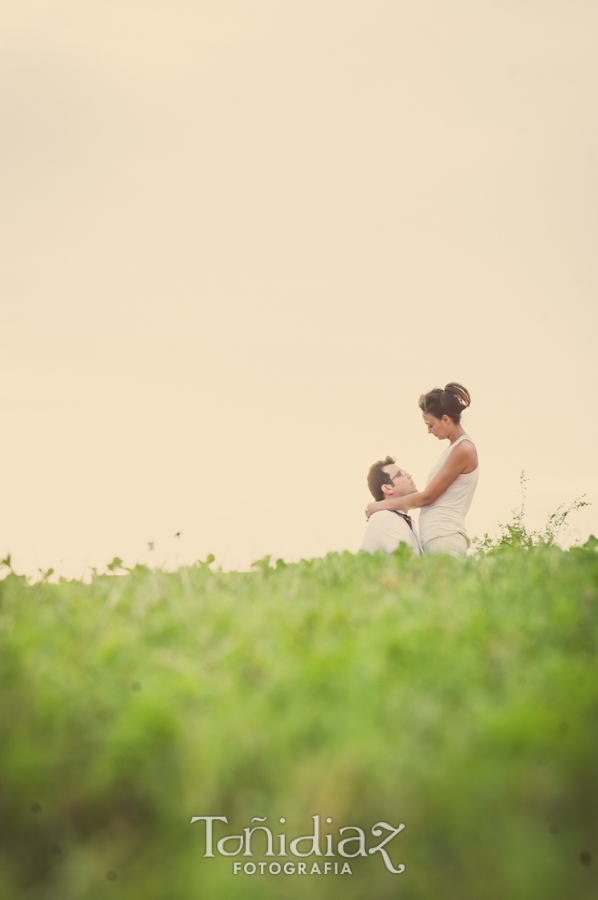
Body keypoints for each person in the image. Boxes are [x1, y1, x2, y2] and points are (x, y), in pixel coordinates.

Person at [366, 383, 478, 558]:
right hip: (438, 537)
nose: (428, 431)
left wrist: (379, 505)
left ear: (446, 419)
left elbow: (428, 497)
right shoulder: (454, 449)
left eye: (431, 425)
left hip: (444, 536)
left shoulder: (463, 449)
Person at [361, 457, 423, 556]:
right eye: (401, 474)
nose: (409, 476)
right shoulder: (385, 518)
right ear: (387, 488)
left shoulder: (398, 518)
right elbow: (406, 563)